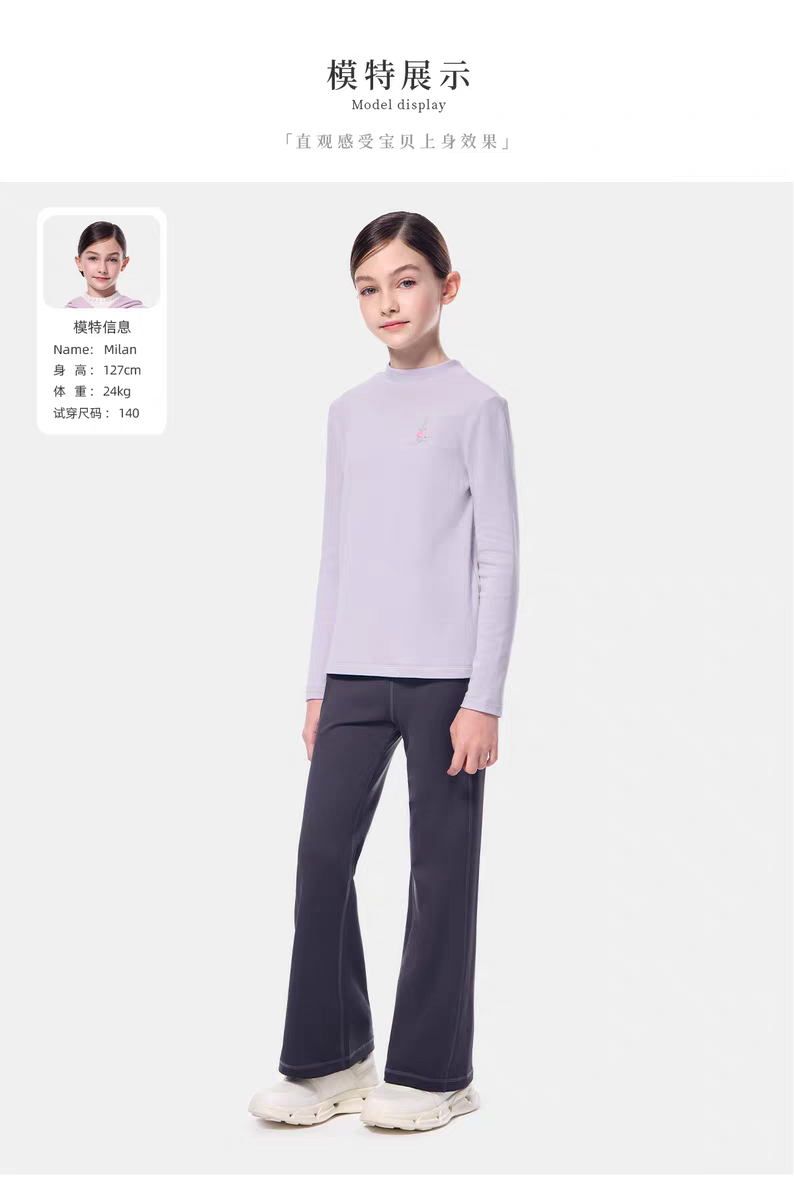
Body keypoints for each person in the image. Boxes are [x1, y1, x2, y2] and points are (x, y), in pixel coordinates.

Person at [249, 211, 520, 1132]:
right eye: (368, 287)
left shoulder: (477, 406)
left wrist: (484, 697)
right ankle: (332, 1060)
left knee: (441, 876)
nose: (387, 302)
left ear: (448, 286)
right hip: (354, 676)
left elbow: (499, 559)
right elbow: (336, 552)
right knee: (321, 859)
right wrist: (317, 682)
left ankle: (437, 1075)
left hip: (447, 681)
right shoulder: (348, 413)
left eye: (406, 280)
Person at [65, 221, 145, 308]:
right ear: (79, 263)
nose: (102, 269)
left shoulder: (140, 311)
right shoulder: (66, 313)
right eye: (93, 258)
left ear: (124, 264)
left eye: (112, 260)